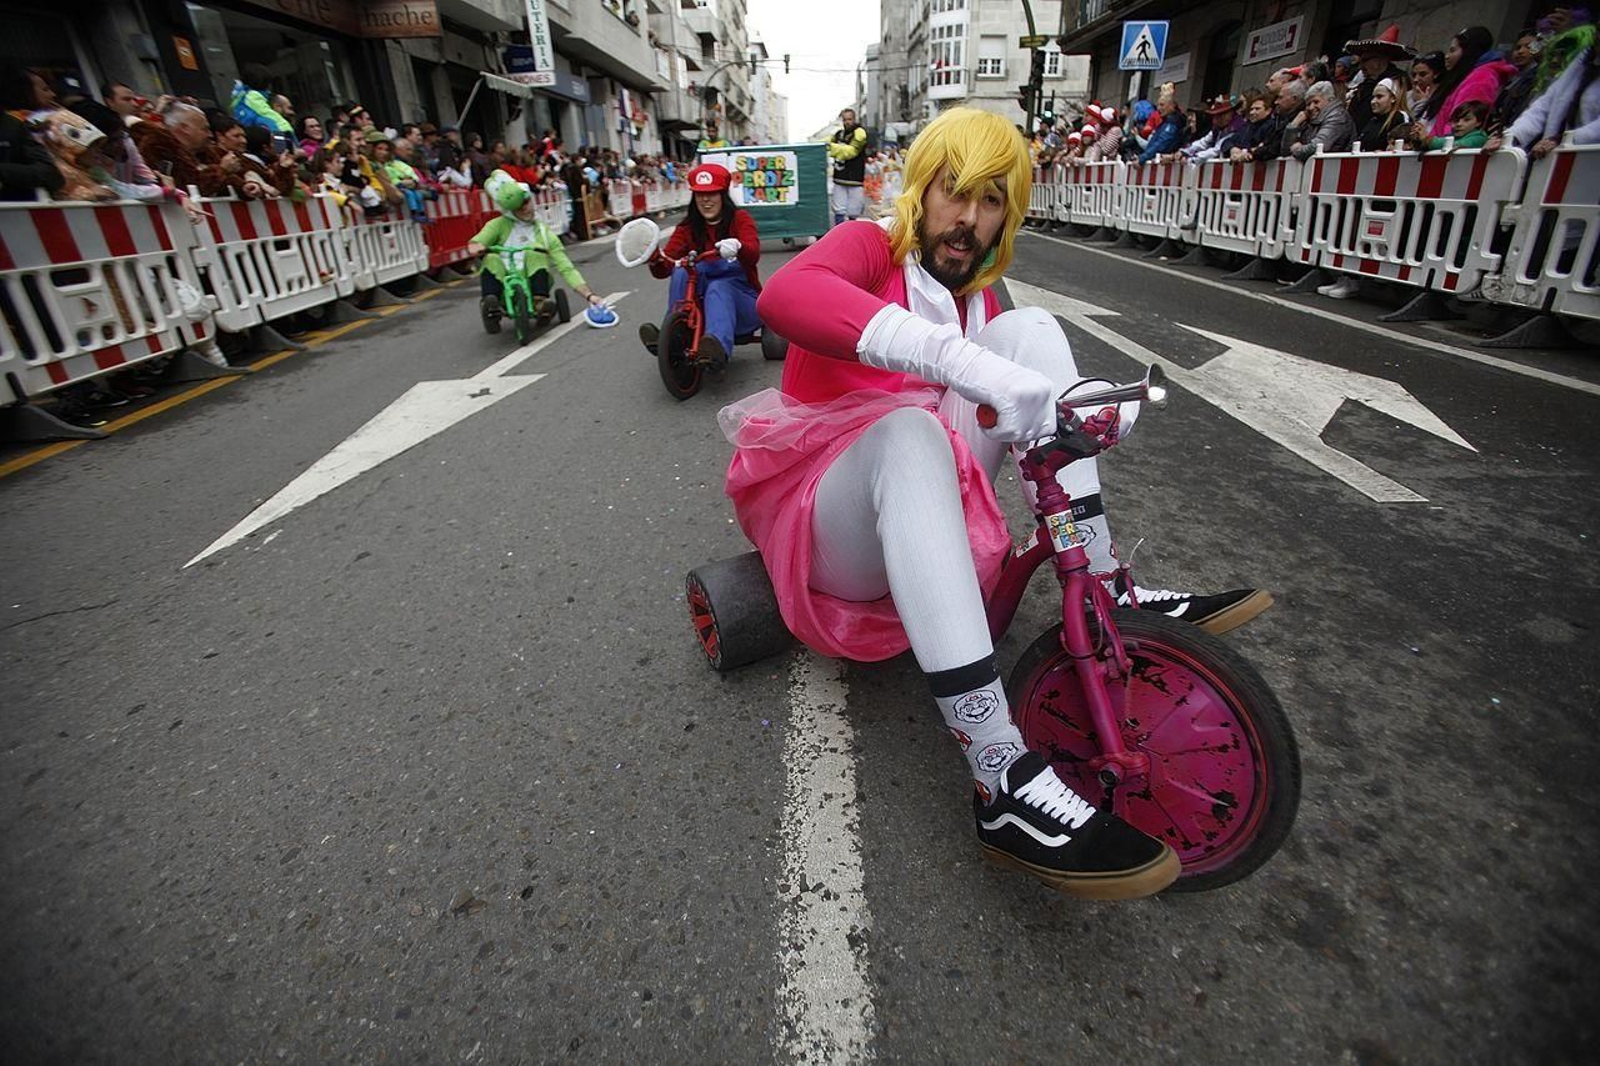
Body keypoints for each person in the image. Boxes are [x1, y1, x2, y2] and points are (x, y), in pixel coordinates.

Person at [721, 107, 1268, 901]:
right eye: (954, 192)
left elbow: (1012, 375)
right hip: (826, 513)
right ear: (923, 190)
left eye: (989, 201)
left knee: (1031, 331)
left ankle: (1111, 588)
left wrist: (1079, 404)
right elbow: (787, 297)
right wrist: (953, 360)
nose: (967, 219)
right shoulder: (874, 245)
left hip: (924, 486)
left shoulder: (982, 293)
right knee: (909, 429)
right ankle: (997, 770)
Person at [636, 162, 761, 368]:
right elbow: (665, 267)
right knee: (681, 273)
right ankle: (674, 336)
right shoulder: (687, 227)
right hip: (700, 304)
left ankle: (716, 347)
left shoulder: (740, 219)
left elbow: (753, 253)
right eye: (700, 195)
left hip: (742, 302)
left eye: (712, 194)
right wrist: (655, 258)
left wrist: (739, 246)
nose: (706, 201)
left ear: (722, 195)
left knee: (718, 287)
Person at [467, 174, 605, 329]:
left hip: (531, 279)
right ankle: (490, 303)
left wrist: (589, 295)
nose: (525, 209)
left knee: (536, 253)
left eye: (526, 203)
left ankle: (539, 302)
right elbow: (476, 242)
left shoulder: (544, 233)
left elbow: (565, 267)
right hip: (504, 279)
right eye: (519, 207)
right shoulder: (498, 225)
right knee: (491, 258)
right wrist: (477, 247)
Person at [1489, 36, 1600, 156]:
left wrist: (1563, 141)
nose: (1554, 60)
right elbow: (1542, 107)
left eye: (1561, 55)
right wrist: (1510, 138)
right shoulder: (1582, 64)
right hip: (1550, 159)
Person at [1411, 27, 1515, 141]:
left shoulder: (1481, 79)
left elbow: (1461, 124)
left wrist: (1434, 143)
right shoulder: (1466, 77)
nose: (1447, 56)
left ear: (1468, 51)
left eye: (1452, 50)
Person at [1344, 25, 1416, 132]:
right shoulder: (1364, 85)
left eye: (1366, 60)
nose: (1361, 66)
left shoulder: (1399, 81)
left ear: (1381, 59)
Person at [1283, 80, 1355, 160]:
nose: (1311, 107)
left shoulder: (1337, 117)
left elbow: (1318, 147)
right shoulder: (1309, 119)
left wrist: (1297, 150)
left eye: (1316, 102)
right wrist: (1294, 124)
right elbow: (1285, 151)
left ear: (1330, 100)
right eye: (1308, 104)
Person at [828, 107, 871, 224]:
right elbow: (826, 142)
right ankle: (839, 234)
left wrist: (832, 148)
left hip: (855, 179)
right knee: (838, 209)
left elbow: (851, 152)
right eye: (845, 119)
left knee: (854, 210)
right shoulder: (838, 134)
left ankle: (851, 235)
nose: (847, 122)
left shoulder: (860, 133)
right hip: (839, 178)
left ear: (854, 119)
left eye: (850, 119)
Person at [1181, 95, 1246, 161]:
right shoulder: (1217, 128)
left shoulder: (1238, 127)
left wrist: (1194, 157)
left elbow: (1216, 150)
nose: (1218, 118)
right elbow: (1203, 142)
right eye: (1216, 115)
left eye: (1223, 114)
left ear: (1231, 113)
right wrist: (1184, 152)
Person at [1355, 77, 1410, 149]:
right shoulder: (1373, 121)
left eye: (1379, 97)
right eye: (1373, 97)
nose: (1373, 101)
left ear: (1393, 98)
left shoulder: (1400, 117)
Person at [1138, 84, 1185, 162]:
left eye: (1162, 105)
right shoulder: (1166, 121)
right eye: (1158, 105)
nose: (1159, 108)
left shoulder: (1172, 121)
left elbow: (1162, 142)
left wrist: (1143, 157)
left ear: (1172, 106)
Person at [1409, 52, 1446, 119]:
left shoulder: (1443, 99)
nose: (1416, 79)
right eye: (1414, 75)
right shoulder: (1407, 96)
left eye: (1423, 74)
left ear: (1436, 74)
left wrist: (1422, 103)